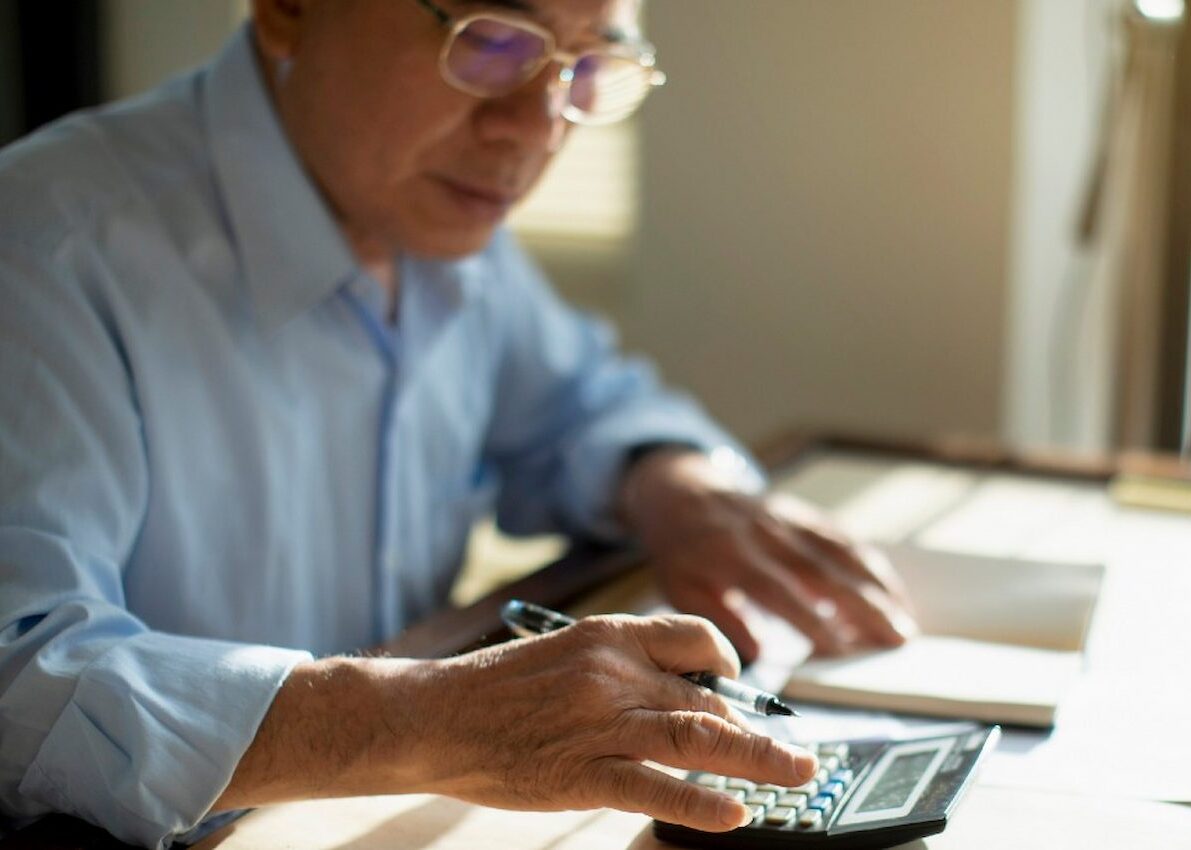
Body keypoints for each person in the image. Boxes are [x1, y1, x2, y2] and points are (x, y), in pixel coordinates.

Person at [0, 1, 916, 847]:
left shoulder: (427, 215)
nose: (536, 127)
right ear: (287, 8)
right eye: (487, 41)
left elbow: (581, 405)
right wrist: (417, 718)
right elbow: (21, 672)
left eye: (586, 68)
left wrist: (677, 485)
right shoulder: (44, 249)